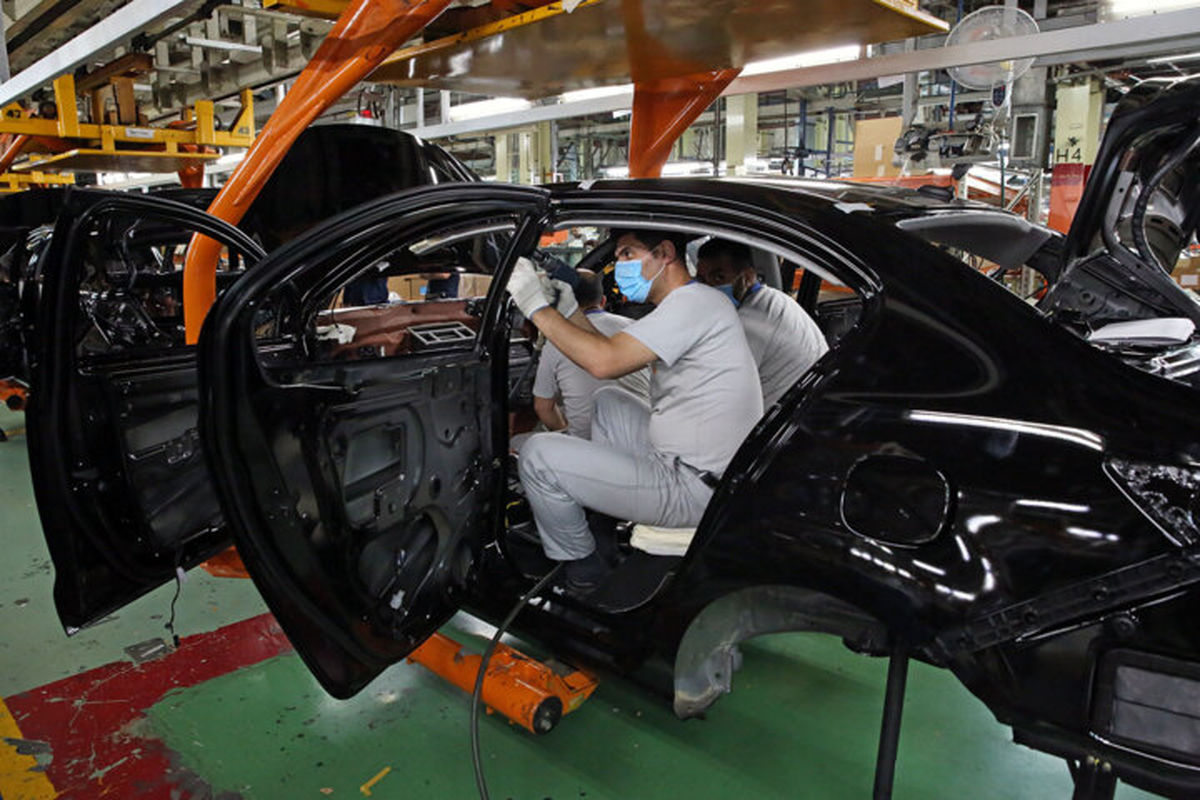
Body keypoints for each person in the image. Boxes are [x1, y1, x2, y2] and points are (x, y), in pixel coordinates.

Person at [507, 229, 762, 594]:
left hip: (692, 487)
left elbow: (604, 361)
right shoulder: (694, 302)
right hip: (700, 469)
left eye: (627, 254)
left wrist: (535, 307)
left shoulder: (694, 304)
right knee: (609, 401)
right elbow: (610, 349)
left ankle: (582, 568)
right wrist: (568, 310)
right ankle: (605, 523)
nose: (619, 266)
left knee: (536, 454)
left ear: (665, 253)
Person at [695, 238, 828, 409]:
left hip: (789, 417)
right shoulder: (774, 299)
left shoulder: (751, 321)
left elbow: (714, 390)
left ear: (748, 276)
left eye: (719, 278)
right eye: (701, 280)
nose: (708, 287)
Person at [532, 269, 650, 439]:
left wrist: (566, 431)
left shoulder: (556, 341)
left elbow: (543, 408)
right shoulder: (637, 328)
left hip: (589, 446)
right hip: (643, 440)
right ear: (603, 301)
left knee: (524, 442)